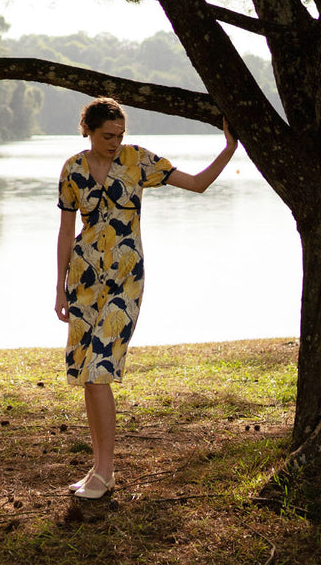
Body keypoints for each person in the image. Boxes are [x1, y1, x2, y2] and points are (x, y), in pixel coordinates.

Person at [55, 95, 238, 500]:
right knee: (88, 375)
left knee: (101, 370)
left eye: (121, 134)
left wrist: (229, 150)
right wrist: (59, 286)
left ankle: (105, 473)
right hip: (84, 281)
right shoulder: (72, 169)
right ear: (88, 130)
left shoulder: (138, 160)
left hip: (125, 279)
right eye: (107, 135)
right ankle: (98, 467)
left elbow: (198, 184)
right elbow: (66, 231)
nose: (115, 142)